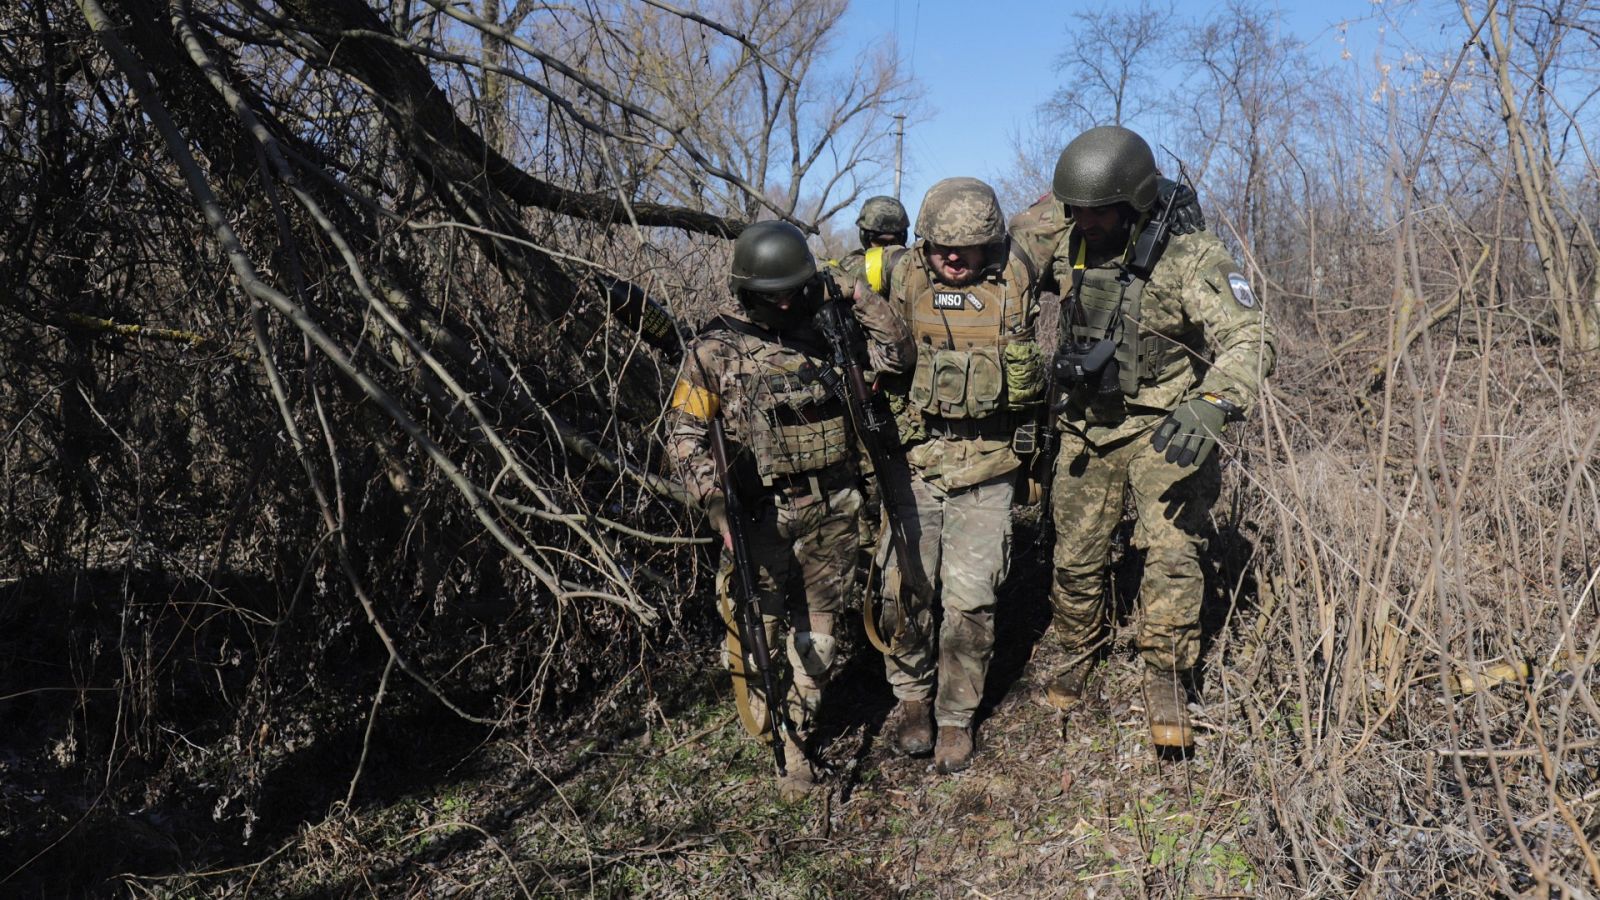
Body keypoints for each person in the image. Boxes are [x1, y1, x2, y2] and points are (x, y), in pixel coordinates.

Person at [1039, 125, 1276, 753]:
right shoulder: (1068, 242)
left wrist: (1214, 403)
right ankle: (1077, 648)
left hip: (1167, 427)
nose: (1085, 221)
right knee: (1075, 556)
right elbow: (1000, 257)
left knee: (1172, 557)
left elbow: (1252, 336)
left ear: (1135, 202)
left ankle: (1167, 675)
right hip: (1088, 424)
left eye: (1100, 211)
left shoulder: (1192, 258)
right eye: (1077, 210)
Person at [665, 220, 914, 800]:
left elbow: (897, 358)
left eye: (791, 287)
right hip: (758, 515)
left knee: (818, 636)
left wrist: (859, 296)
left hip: (834, 506)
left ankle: (798, 738)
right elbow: (683, 432)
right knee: (757, 628)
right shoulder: (714, 349)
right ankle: (768, 721)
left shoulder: (830, 328)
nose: (782, 300)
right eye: (770, 291)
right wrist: (713, 500)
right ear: (745, 289)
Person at [874, 177, 1045, 774]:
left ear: (990, 244)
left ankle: (954, 718)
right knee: (904, 593)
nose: (952, 258)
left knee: (971, 602)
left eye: (966, 248)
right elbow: (812, 283)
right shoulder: (898, 274)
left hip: (990, 465)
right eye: (940, 246)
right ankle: (912, 700)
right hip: (916, 462)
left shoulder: (1018, 270)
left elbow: (1077, 208)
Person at [836, 195, 910, 295]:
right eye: (881, 243)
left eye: (892, 243)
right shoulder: (851, 267)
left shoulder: (913, 266)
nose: (887, 251)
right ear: (865, 239)